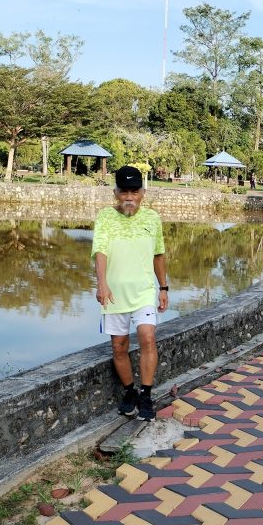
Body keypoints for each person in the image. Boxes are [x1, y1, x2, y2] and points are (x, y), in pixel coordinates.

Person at [91, 165, 169, 422]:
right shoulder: (105, 217)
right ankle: (129, 392)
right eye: (124, 191)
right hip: (114, 293)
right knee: (119, 345)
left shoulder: (152, 219)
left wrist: (163, 287)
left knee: (147, 337)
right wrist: (101, 283)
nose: (129, 197)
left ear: (142, 193)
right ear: (115, 193)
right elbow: (99, 252)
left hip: (144, 291)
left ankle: (146, 394)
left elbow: (159, 255)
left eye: (134, 191)